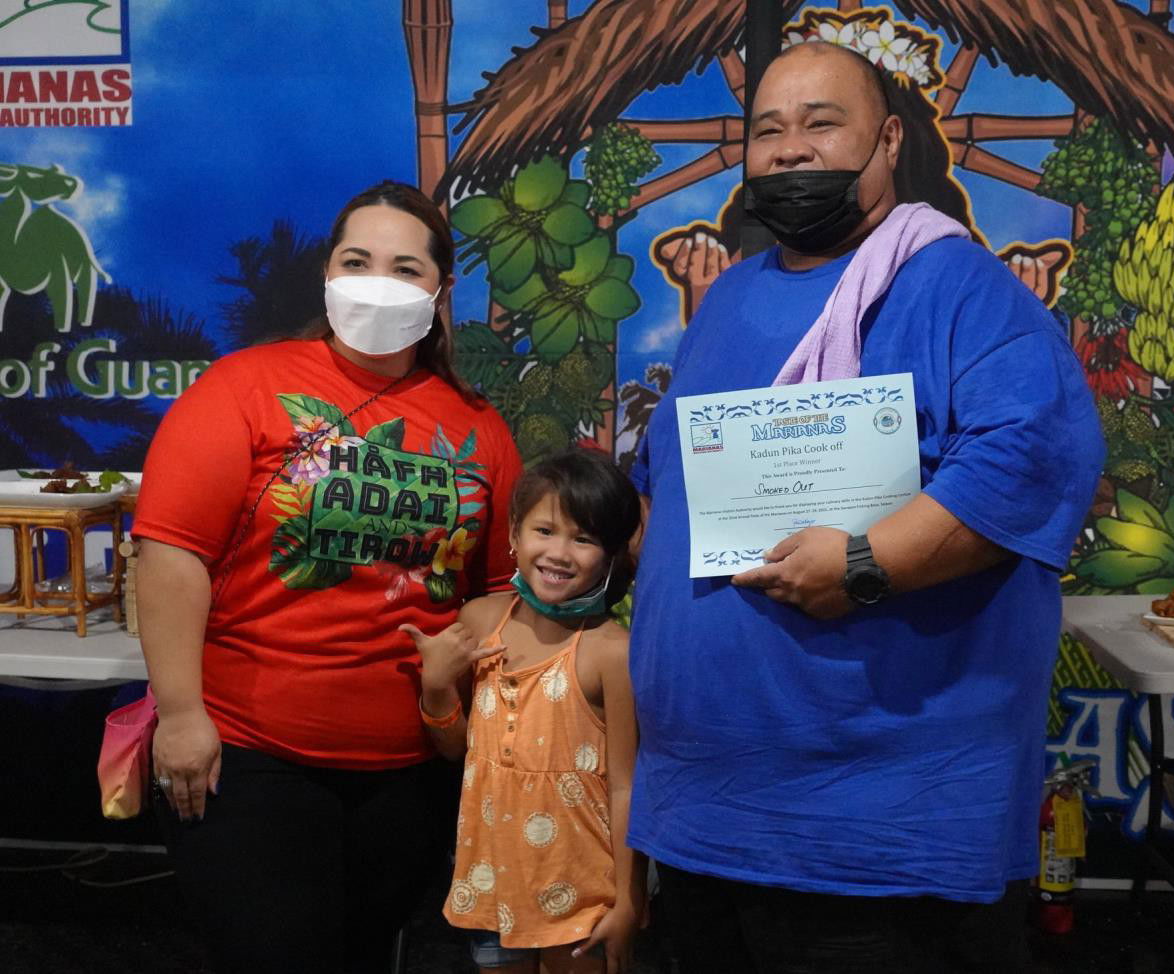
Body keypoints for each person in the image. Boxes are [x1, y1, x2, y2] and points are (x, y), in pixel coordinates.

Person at [627, 41, 1105, 974]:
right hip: (704, 810)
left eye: (820, 123)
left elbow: (1032, 453)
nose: (789, 149)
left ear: (887, 141)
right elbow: (674, 488)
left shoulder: (956, 284)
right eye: (768, 130)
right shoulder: (729, 298)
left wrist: (864, 564)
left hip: (873, 830)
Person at [132, 181, 523, 974]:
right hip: (249, 757)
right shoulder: (242, 387)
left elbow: (499, 586)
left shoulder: (478, 425)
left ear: (441, 290)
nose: (378, 282)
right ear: (326, 273)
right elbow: (171, 551)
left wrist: (462, 665)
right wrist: (179, 714)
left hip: (409, 770)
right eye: (357, 260)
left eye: (405, 268)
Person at [402, 448, 646, 974]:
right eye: (545, 530)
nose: (560, 553)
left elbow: (627, 786)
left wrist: (629, 902)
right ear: (514, 533)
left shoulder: (613, 652)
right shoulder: (478, 620)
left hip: (587, 896)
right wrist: (438, 686)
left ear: (611, 554)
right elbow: (459, 750)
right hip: (492, 885)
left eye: (584, 539)